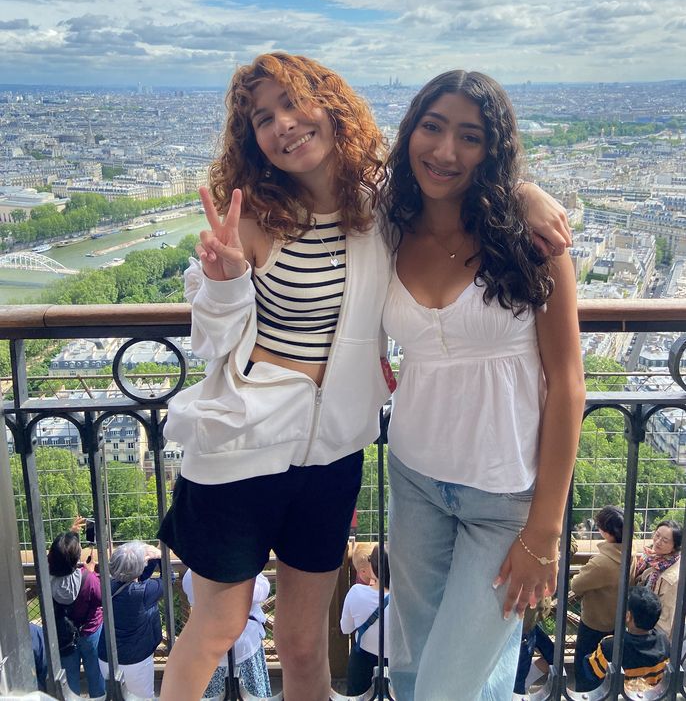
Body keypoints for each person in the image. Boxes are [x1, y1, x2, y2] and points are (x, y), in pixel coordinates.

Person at [157, 52, 571, 701]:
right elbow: (214, 342)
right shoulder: (252, 217)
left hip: (333, 451)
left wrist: (524, 191)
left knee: (301, 644)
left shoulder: (377, 204)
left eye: (294, 104)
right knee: (218, 625)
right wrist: (223, 279)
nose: (284, 125)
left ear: (330, 104)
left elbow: (448, 174)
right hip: (242, 449)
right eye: (264, 117)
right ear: (251, 136)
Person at [381, 69, 587, 701]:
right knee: (416, 666)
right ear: (411, 130)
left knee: (447, 685)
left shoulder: (531, 240)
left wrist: (546, 533)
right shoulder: (387, 227)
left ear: (492, 151)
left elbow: (569, 384)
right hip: (413, 476)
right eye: (433, 127)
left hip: (505, 496)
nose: (445, 151)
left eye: (470, 137)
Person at [182, 567, 272, 698]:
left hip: (209, 642)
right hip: (245, 641)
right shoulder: (242, 566)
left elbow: (190, 592)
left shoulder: (194, 570)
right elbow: (262, 591)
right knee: (252, 693)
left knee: (212, 692)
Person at [97, 541, 164, 699]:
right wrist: (160, 557)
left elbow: (135, 575)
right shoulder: (144, 593)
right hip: (136, 660)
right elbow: (168, 579)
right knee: (143, 698)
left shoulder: (106, 585)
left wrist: (145, 559)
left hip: (107, 657)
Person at [570, 505, 624, 691]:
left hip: (594, 625)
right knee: (608, 671)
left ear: (606, 532)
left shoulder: (601, 563)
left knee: (586, 671)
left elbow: (576, 585)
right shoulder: (629, 555)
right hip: (616, 623)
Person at [48, 529, 105, 698]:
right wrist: (92, 571)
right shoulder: (88, 578)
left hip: (63, 635)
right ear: (77, 558)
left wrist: (68, 535)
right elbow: (101, 598)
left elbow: (53, 558)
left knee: (69, 678)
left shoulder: (46, 577)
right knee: (96, 674)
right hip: (90, 632)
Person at [582, 586, 669, 689]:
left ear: (628, 616)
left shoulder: (611, 646)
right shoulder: (663, 642)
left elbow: (591, 672)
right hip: (650, 696)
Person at [341, 544, 390, 695]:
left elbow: (345, 628)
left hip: (363, 661)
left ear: (374, 567)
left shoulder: (356, 592)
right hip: (398, 662)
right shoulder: (407, 598)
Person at [631, 519, 682, 640]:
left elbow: (666, 620)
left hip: (649, 636)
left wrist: (650, 644)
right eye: (657, 535)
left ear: (674, 547)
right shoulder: (651, 556)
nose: (658, 542)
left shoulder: (671, 578)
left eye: (665, 540)